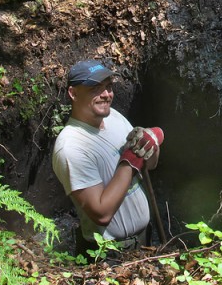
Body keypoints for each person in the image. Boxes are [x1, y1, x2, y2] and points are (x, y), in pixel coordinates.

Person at [52, 60, 164, 252]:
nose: (106, 95)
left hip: (144, 241)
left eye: (109, 86)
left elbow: (148, 166)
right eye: (96, 88)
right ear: (73, 93)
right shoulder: (71, 147)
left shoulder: (113, 117)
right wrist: (130, 159)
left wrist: (151, 144)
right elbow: (101, 213)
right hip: (108, 256)